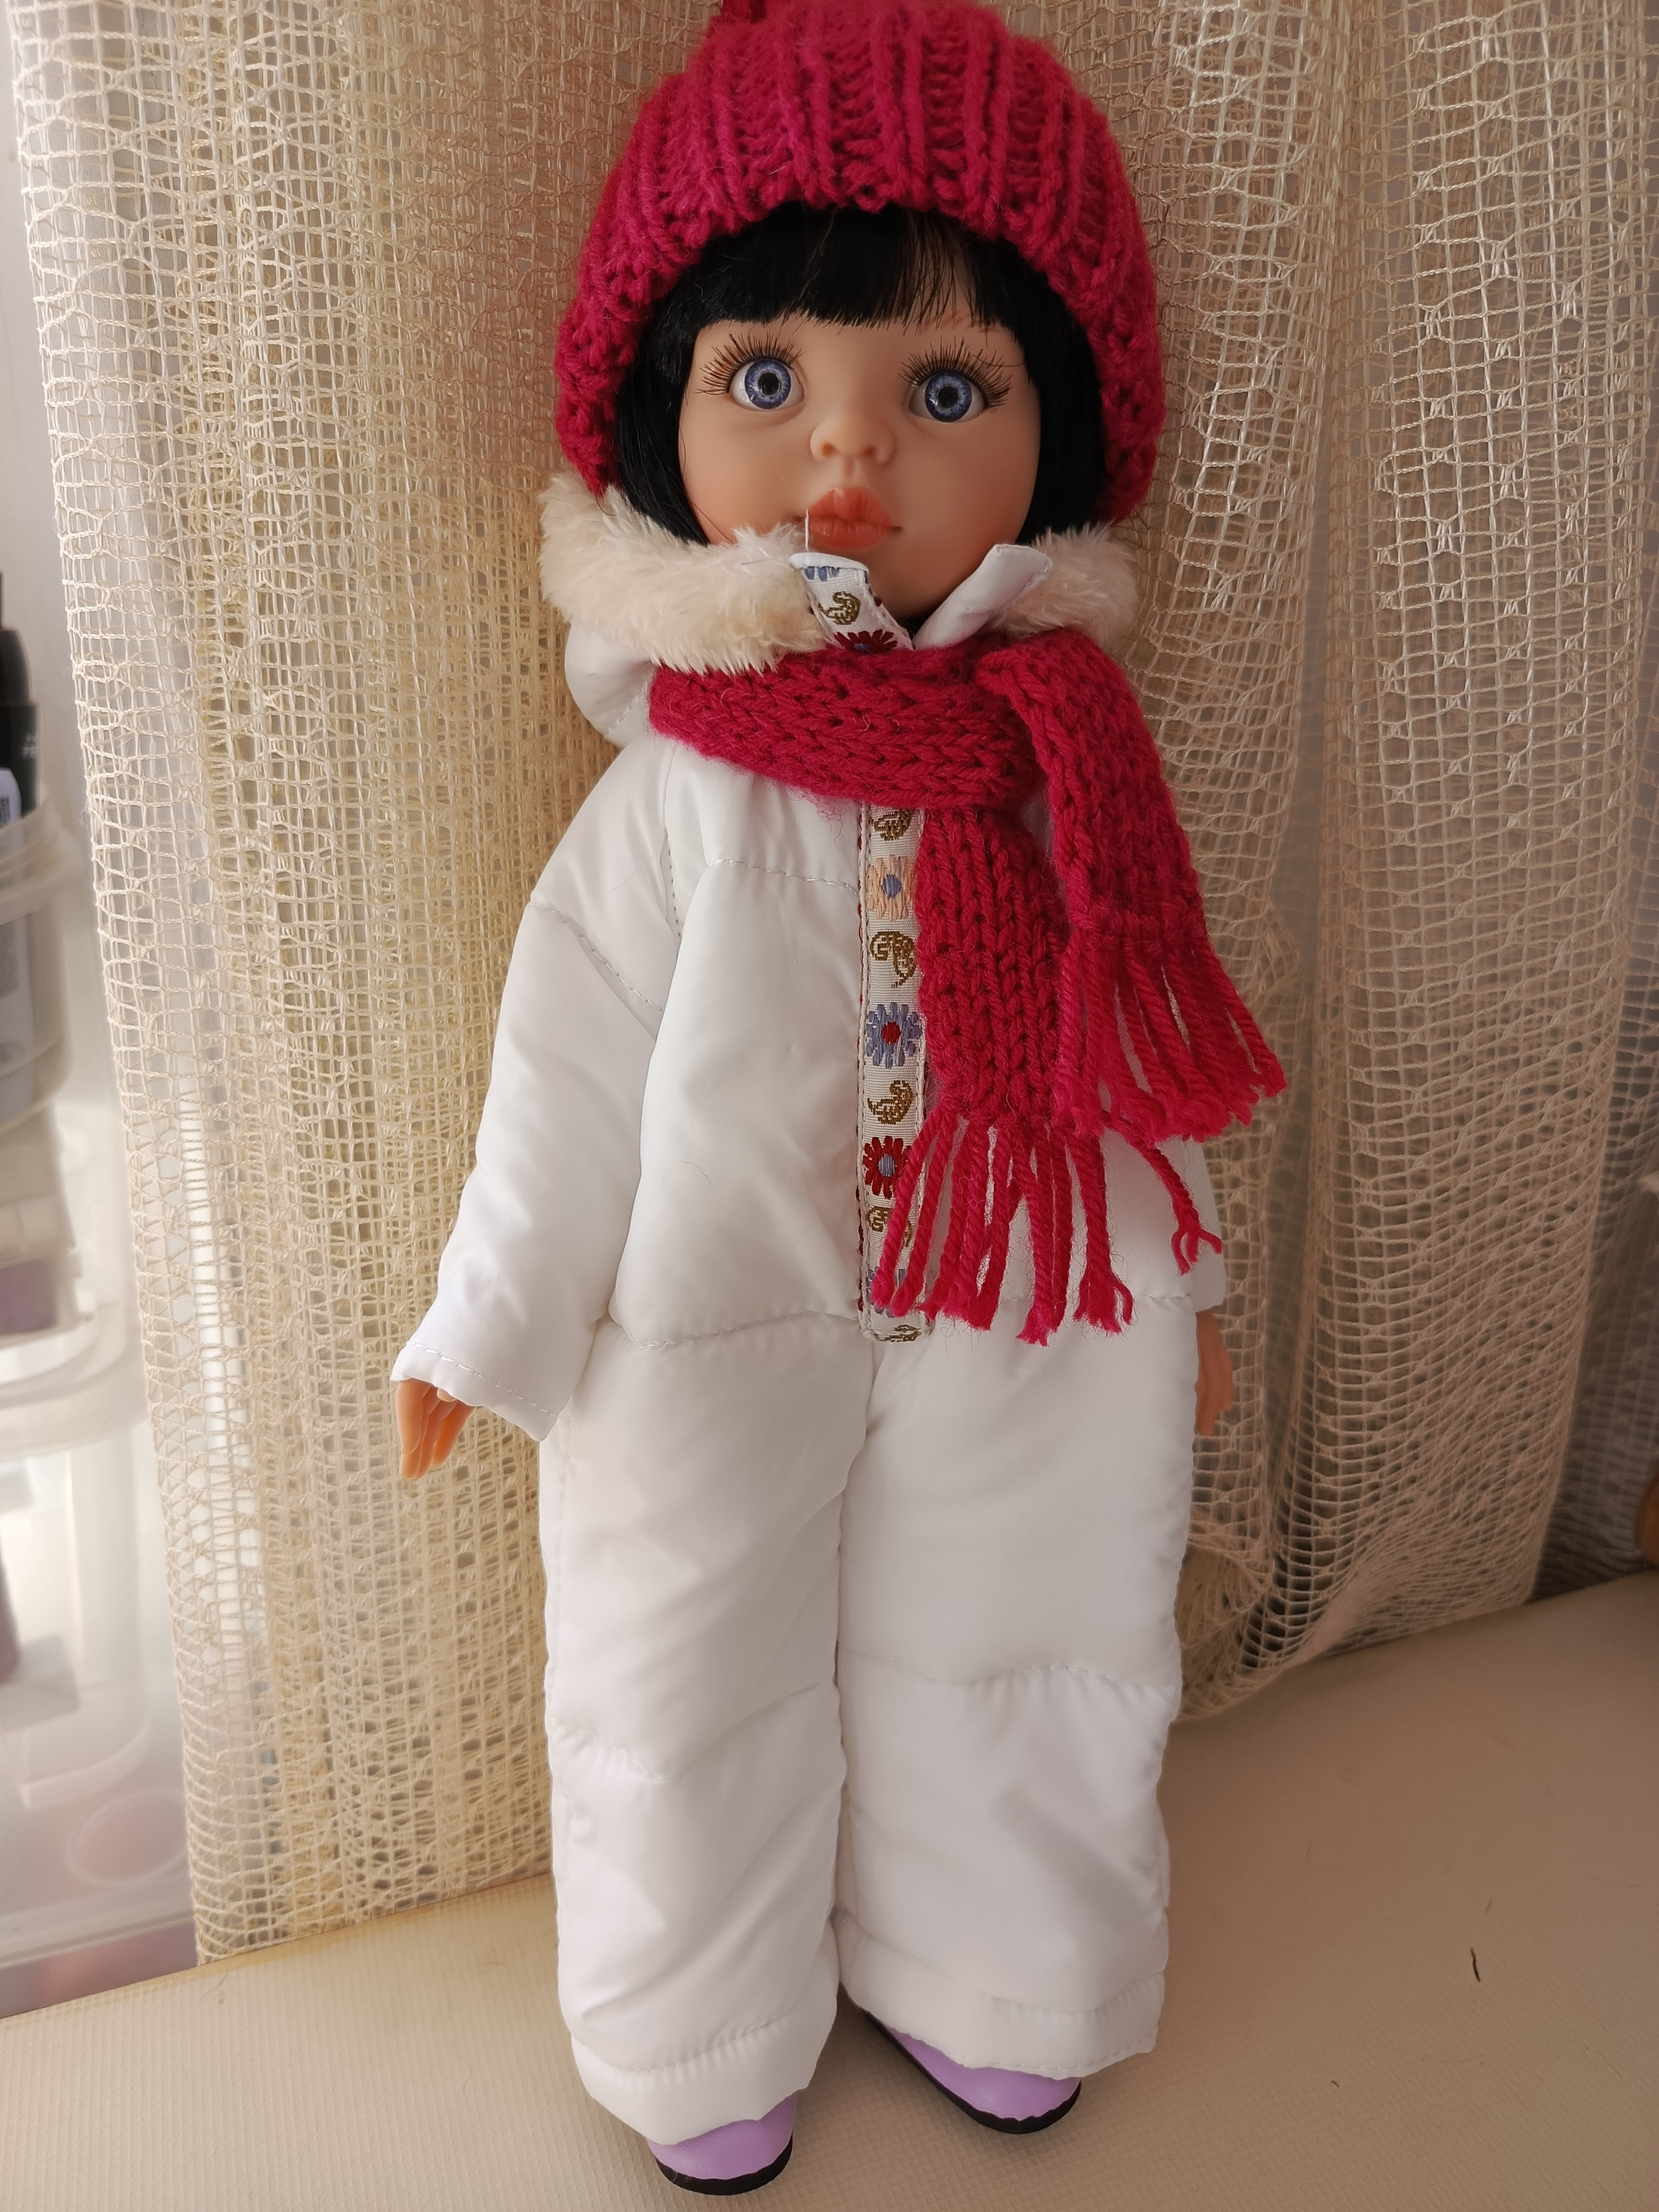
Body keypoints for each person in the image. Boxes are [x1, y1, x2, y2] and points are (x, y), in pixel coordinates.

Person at [396, 0, 1283, 2191]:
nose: (849, 451)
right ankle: (698, 2024)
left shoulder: (1067, 775)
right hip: (709, 1309)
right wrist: (487, 1320)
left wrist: (1186, 1290)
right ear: (661, 409)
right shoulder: (683, 790)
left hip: (1027, 1304)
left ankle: (1001, 1974)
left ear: (1057, 433)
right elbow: (568, 1052)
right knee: (681, 1661)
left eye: (946, 390)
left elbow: (1122, 1047)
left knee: (1031, 1636)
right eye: (767, 377)